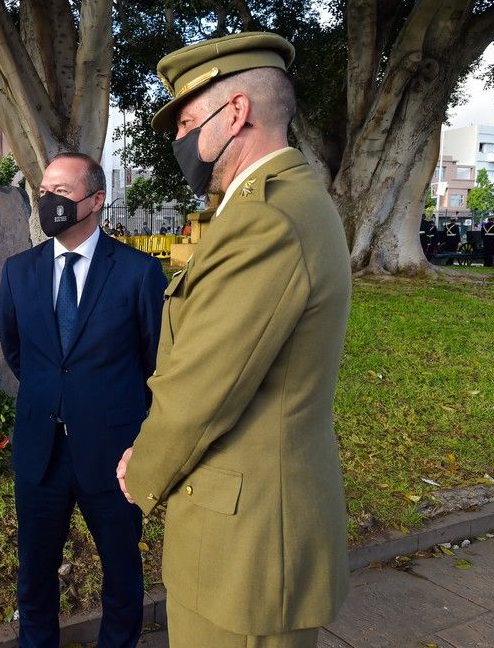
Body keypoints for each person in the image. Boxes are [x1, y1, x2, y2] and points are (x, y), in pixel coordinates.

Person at [115, 32, 351, 648]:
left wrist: (143, 468)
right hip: (250, 524)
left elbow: (205, 385)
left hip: (247, 548)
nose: (179, 142)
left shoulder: (264, 218)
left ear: (237, 113)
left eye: (189, 121)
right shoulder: (277, 203)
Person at [0, 152, 167, 648]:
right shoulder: (19, 271)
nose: (49, 202)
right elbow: (17, 350)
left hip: (113, 452)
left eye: (62, 194)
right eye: (44, 192)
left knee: (121, 571)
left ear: (96, 200)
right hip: (40, 449)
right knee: (34, 575)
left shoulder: (138, 273)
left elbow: (156, 361)